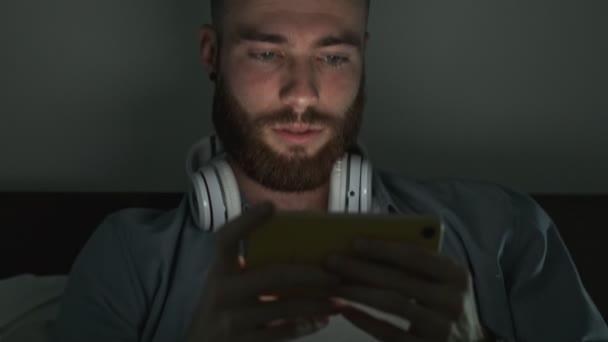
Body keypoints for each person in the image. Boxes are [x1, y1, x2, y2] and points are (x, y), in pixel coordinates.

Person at [52, 0, 608, 341]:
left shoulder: (504, 229)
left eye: (333, 56)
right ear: (210, 54)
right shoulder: (126, 259)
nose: (303, 94)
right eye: (267, 53)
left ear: (362, 56)